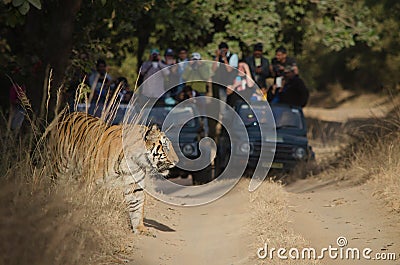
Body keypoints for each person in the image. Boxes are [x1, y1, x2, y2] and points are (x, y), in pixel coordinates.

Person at [182, 52, 211, 135]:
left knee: (202, 112)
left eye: (197, 60)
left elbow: (205, 76)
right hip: (189, 92)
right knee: (189, 112)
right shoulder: (188, 67)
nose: (195, 62)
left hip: (200, 92)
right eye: (194, 60)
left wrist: (200, 66)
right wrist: (190, 66)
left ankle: (205, 132)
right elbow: (184, 77)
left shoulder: (204, 67)